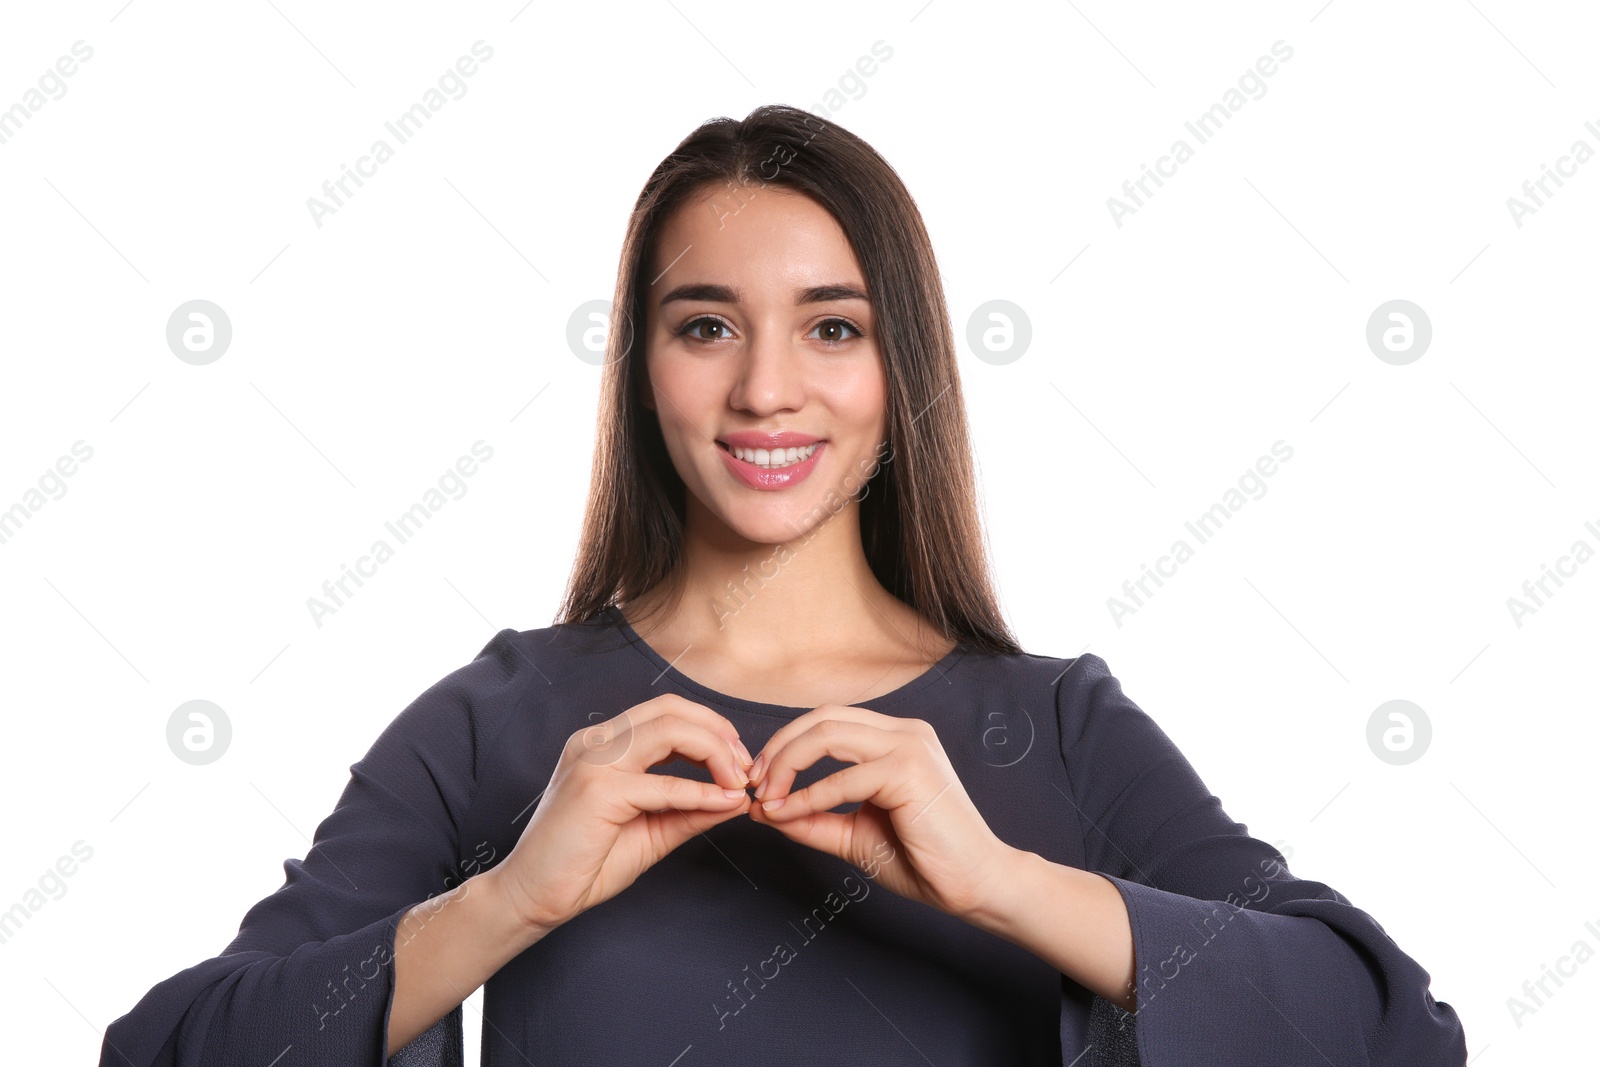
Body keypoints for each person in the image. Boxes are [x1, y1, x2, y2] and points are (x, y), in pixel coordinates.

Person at [101, 104, 1468, 1066]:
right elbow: (169, 1051)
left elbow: (1391, 1034)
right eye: (707, 325)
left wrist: (1000, 883)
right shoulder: (498, 725)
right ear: (643, 365)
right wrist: (509, 899)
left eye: (833, 326)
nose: (766, 388)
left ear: (903, 369)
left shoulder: (1054, 730)